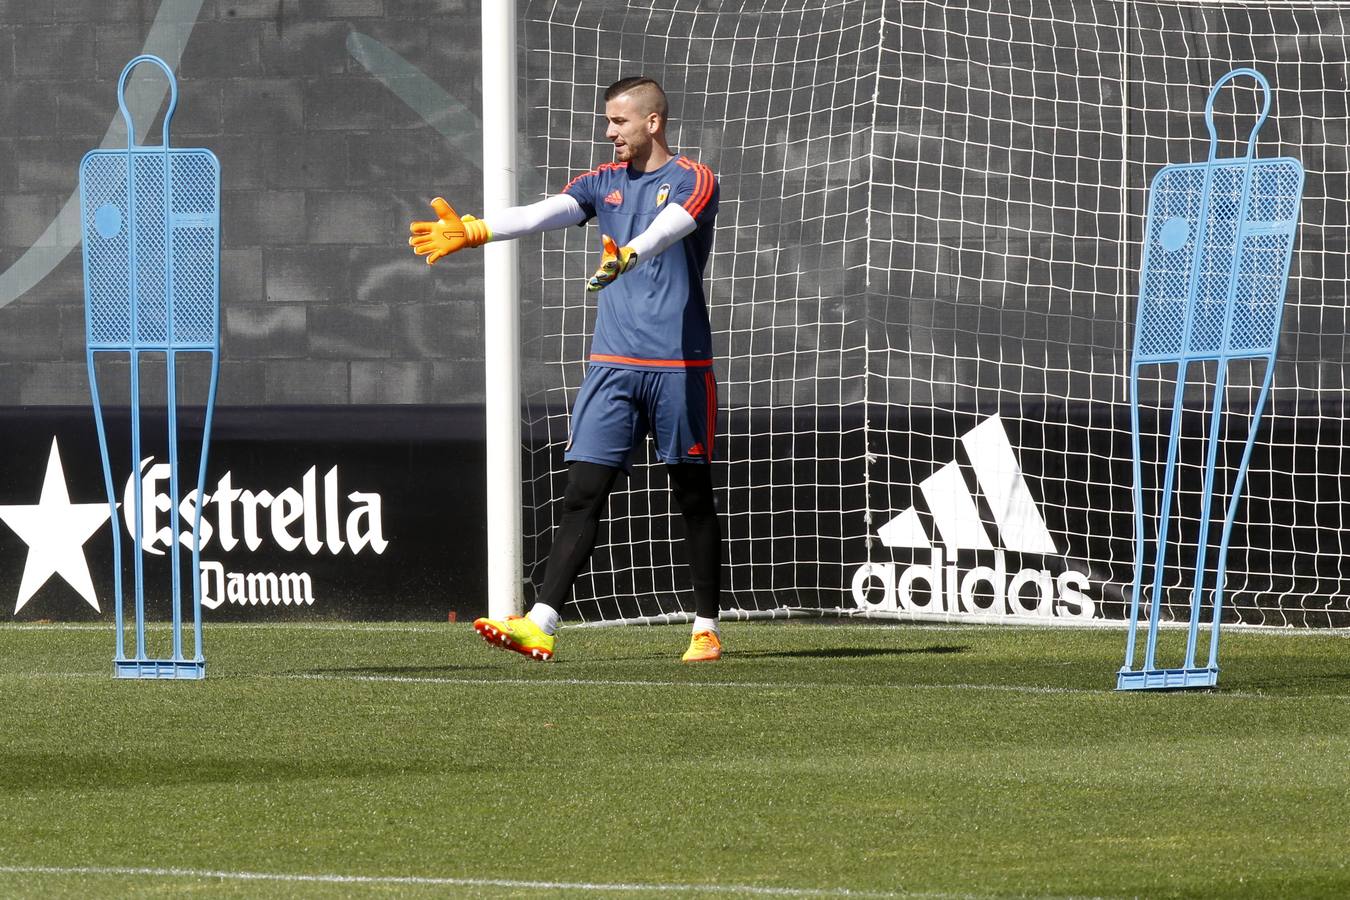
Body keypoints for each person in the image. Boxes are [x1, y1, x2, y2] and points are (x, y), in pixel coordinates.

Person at [409, 77, 723, 663]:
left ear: (652, 122)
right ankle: (541, 623)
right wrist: (477, 231)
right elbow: (537, 215)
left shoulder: (694, 177)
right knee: (583, 490)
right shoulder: (601, 183)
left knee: (691, 494)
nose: (610, 132)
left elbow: (673, 225)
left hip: (681, 366)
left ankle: (706, 626)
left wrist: (630, 252)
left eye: (620, 122)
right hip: (611, 366)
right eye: (608, 121)